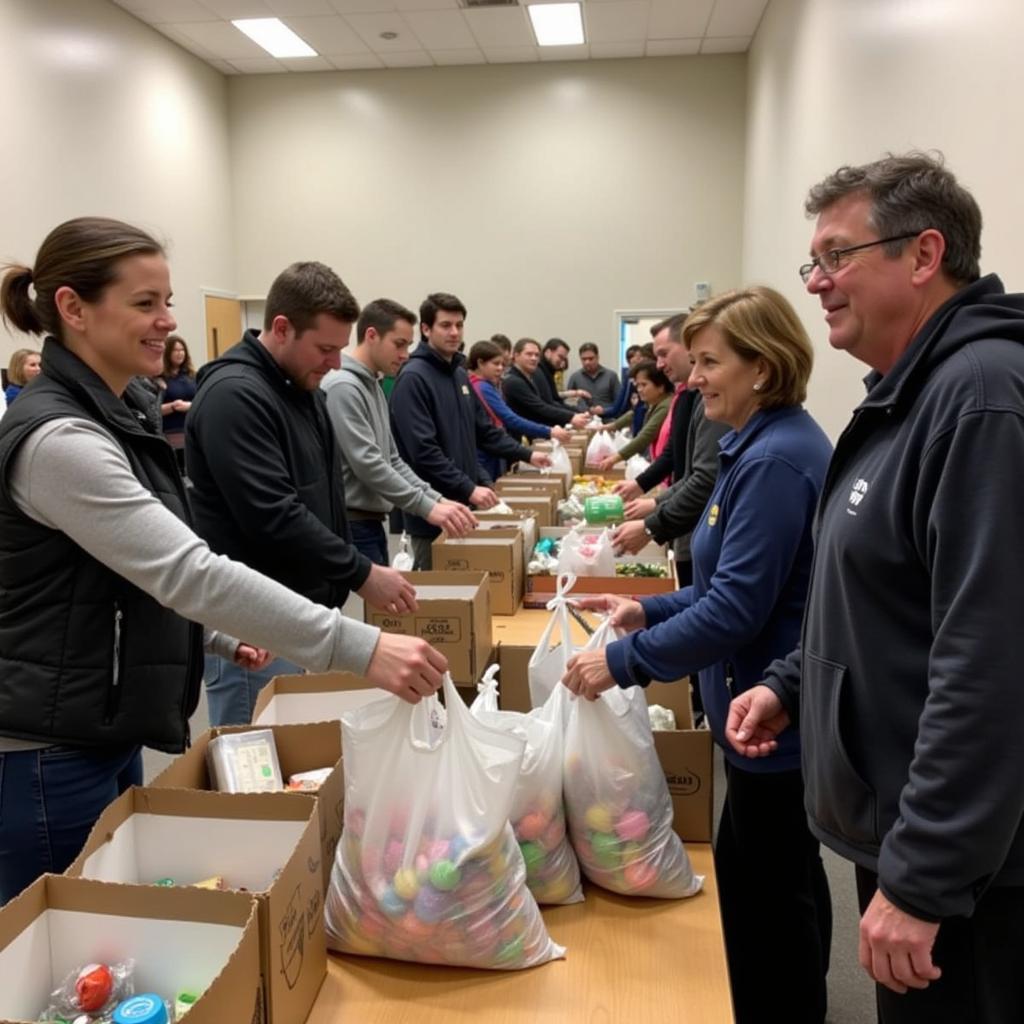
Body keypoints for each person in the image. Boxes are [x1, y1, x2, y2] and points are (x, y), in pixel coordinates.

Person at [0, 217, 446, 905]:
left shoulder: (119, 415)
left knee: (105, 932)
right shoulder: (61, 439)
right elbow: (187, 569)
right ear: (72, 308)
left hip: (98, 722)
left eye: (167, 301)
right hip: (45, 747)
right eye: (145, 303)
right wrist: (357, 645)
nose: (166, 322)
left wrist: (212, 634)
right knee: (59, 955)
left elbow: (125, 570)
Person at [727, 153, 1024, 1024]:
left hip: (968, 869)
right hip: (903, 827)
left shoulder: (980, 399)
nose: (817, 283)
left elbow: (988, 661)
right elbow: (878, 596)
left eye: (837, 256)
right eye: (811, 262)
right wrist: (792, 683)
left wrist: (925, 877)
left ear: (924, 255)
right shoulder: (909, 393)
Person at [562, 286, 833, 1024]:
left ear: (764, 367)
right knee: (760, 886)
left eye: (710, 362)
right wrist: (645, 608)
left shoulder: (778, 460)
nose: (694, 377)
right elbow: (723, 588)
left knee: (777, 899)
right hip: (748, 722)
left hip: (773, 724)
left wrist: (622, 662)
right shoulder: (752, 447)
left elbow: (737, 611)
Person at [186, 261, 419, 726]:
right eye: (325, 348)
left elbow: (321, 497)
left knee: (296, 756)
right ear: (281, 328)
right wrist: (360, 572)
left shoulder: (300, 387)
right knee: (255, 767)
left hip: (297, 612)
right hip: (252, 626)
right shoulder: (236, 396)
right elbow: (273, 515)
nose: (335, 363)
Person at [389, 293, 551, 570]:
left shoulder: (459, 375)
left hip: (464, 507)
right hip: (432, 513)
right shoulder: (413, 378)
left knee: (469, 582)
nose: (454, 332)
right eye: (445, 325)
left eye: (459, 325)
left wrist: (526, 454)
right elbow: (423, 453)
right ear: (426, 329)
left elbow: (482, 432)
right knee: (439, 593)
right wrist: (468, 487)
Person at [322, 298, 477, 565]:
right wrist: (428, 507)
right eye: (399, 344)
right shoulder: (343, 387)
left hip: (371, 521)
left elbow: (393, 460)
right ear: (371, 335)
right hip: (350, 523)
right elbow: (369, 464)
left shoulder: (375, 384)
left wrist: (438, 499)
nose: (405, 354)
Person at [612, 314, 729, 590]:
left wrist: (652, 523)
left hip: (697, 530)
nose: (659, 364)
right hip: (688, 529)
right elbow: (686, 468)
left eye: (709, 361)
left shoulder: (709, 403)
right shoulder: (690, 398)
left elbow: (704, 479)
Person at [467, 339, 571, 477]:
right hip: (487, 455)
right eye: (496, 364)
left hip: (496, 450)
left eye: (502, 364)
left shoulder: (486, 384)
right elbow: (510, 419)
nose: (500, 368)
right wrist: (548, 431)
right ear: (480, 363)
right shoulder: (482, 387)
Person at [593, 360, 673, 471]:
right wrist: (613, 426)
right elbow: (634, 413)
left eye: (644, 385)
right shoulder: (654, 402)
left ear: (661, 387)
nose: (639, 390)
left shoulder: (666, 406)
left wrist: (615, 458)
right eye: (638, 385)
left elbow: (646, 435)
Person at [502, 337, 590, 430]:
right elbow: (540, 407)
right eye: (529, 354)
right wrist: (572, 416)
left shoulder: (528, 376)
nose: (534, 358)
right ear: (516, 355)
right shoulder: (514, 381)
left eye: (536, 355)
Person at [158, 334, 196, 472]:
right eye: (176, 350)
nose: (180, 353)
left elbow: (200, 401)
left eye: (182, 350)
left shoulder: (192, 376)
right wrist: (173, 406)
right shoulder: (158, 379)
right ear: (167, 353)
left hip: (190, 433)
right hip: (169, 434)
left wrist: (189, 406)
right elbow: (150, 410)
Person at [566, 342, 620, 414]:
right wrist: (585, 409)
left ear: (597, 357)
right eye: (584, 359)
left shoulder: (611, 376)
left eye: (591, 359)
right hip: (583, 419)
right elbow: (568, 403)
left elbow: (619, 403)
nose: (587, 362)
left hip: (607, 418)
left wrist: (604, 410)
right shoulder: (575, 377)